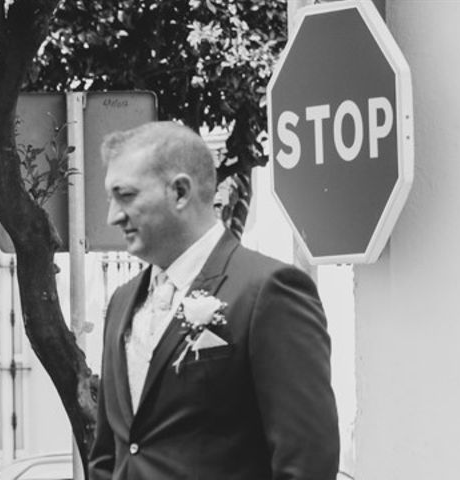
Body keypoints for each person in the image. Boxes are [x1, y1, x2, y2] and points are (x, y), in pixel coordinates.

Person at [90, 121, 339, 480]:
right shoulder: (121, 302)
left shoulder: (267, 291)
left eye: (125, 195)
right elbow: (109, 453)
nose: (112, 215)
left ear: (179, 192)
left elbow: (307, 460)